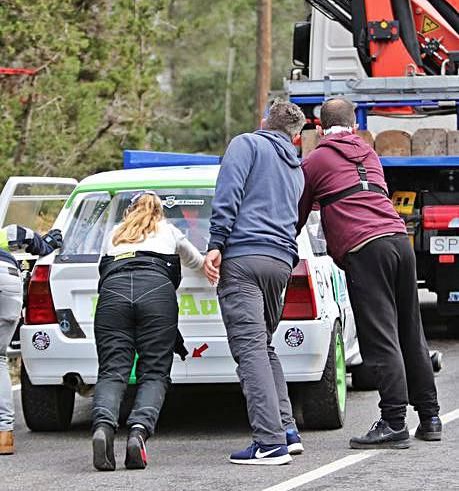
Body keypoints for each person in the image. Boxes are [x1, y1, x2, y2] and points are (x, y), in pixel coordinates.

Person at [297, 97, 441, 449]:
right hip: (398, 240)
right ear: (353, 125)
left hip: (365, 248)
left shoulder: (315, 160)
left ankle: (393, 422)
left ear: (319, 128)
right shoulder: (369, 154)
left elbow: (299, 210)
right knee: (410, 330)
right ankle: (430, 417)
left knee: (380, 337)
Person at [204, 99, 306, 465]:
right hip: (280, 262)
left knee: (249, 350)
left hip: (244, 258)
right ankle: (287, 431)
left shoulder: (246, 144)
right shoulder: (296, 167)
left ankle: (269, 443)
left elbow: (227, 194)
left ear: (264, 122)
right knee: (263, 346)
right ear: (295, 136)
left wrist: (216, 243)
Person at [92, 190, 204, 471]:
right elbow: (197, 262)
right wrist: (211, 268)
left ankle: (103, 428)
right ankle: (138, 432)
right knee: (153, 371)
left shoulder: (115, 234)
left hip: (113, 295)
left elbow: (101, 270)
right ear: (159, 212)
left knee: (112, 371)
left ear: (129, 211)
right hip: (156, 293)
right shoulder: (169, 230)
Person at [0, 224, 62, 455]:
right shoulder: (2, 237)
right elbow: (18, 231)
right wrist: (46, 244)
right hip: (10, 280)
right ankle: (3, 435)